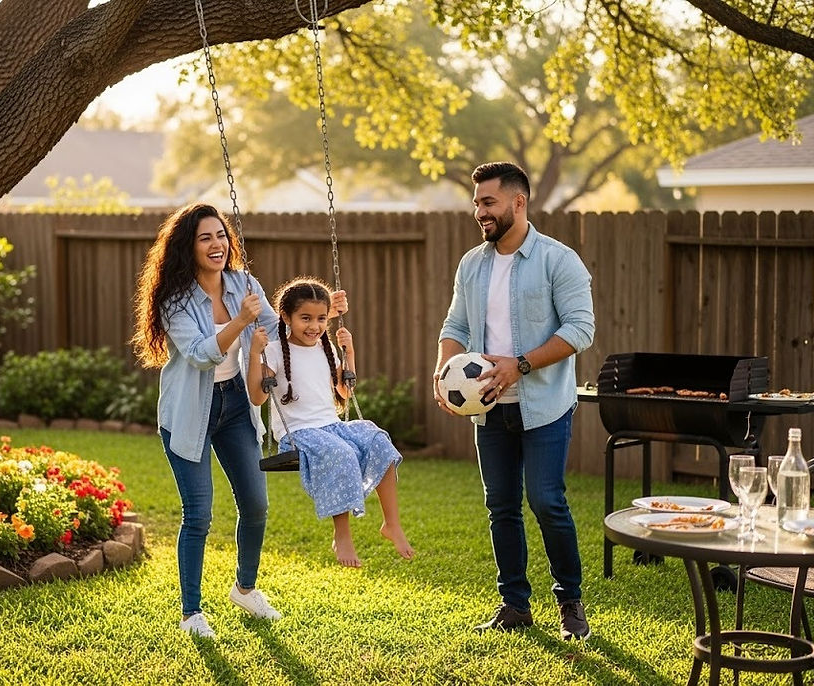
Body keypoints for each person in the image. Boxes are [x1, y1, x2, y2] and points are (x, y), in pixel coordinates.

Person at [132, 204, 347, 639]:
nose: (217, 245)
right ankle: (191, 612)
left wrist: (326, 314)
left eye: (221, 236)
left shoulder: (243, 284)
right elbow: (199, 353)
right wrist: (240, 321)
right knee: (199, 514)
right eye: (205, 238)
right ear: (187, 246)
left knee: (256, 505)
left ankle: (245, 589)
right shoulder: (175, 298)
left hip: (235, 407)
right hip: (190, 411)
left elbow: (283, 331)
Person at [433, 162, 595, 641]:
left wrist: (518, 365)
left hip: (544, 404)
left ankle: (570, 602)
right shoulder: (472, 264)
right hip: (488, 407)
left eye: (488, 202)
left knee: (546, 501)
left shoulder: (557, 260)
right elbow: (455, 328)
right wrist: (445, 373)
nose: (479, 211)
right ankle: (515, 605)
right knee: (500, 504)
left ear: (517, 202)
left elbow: (580, 330)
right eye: (477, 203)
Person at [246, 276, 414, 568]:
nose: (314, 326)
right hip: (298, 433)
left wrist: (350, 353)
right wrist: (253, 354)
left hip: (331, 425)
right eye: (305, 318)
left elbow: (345, 393)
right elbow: (258, 398)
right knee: (342, 453)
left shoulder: (327, 348)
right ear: (285, 317)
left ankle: (392, 524)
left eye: (322, 318)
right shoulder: (272, 351)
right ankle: (342, 534)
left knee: (379, 440)